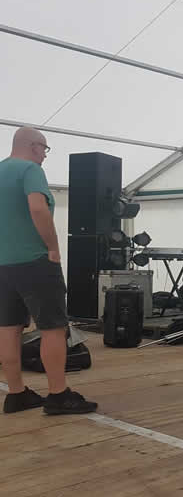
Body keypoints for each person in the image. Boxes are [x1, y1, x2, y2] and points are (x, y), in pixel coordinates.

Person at [0, 127, 97, 415]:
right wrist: (53, 248)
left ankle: (16, 394)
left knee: (8, 329)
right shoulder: (30, 170)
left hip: (3, 265)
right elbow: (38, 208)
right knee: (53, 328)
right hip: (34, 262)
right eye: (44, 148)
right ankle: (58, 395)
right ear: (33, 146)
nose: (44, 154)